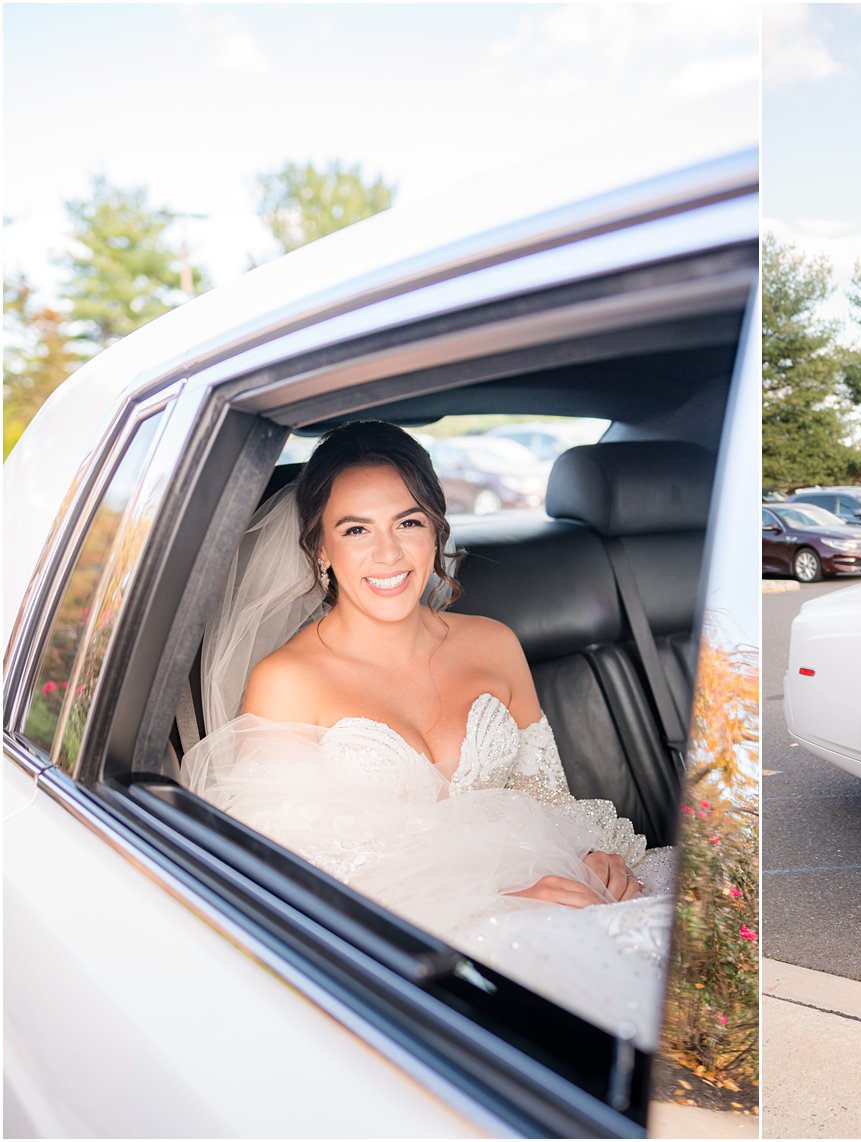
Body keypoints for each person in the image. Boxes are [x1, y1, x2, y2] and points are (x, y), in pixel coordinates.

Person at [181, 421, 677, 1047]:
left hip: (551, 890)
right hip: (407, 944)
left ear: (437, 530)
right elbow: (295, 881)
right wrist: (495, 898)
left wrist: (593, 858)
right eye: (355, 529)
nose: (388, 554)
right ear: (319, 548)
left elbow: (548, 800)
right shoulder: (287, 682)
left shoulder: (494, 643)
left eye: (408, 523)